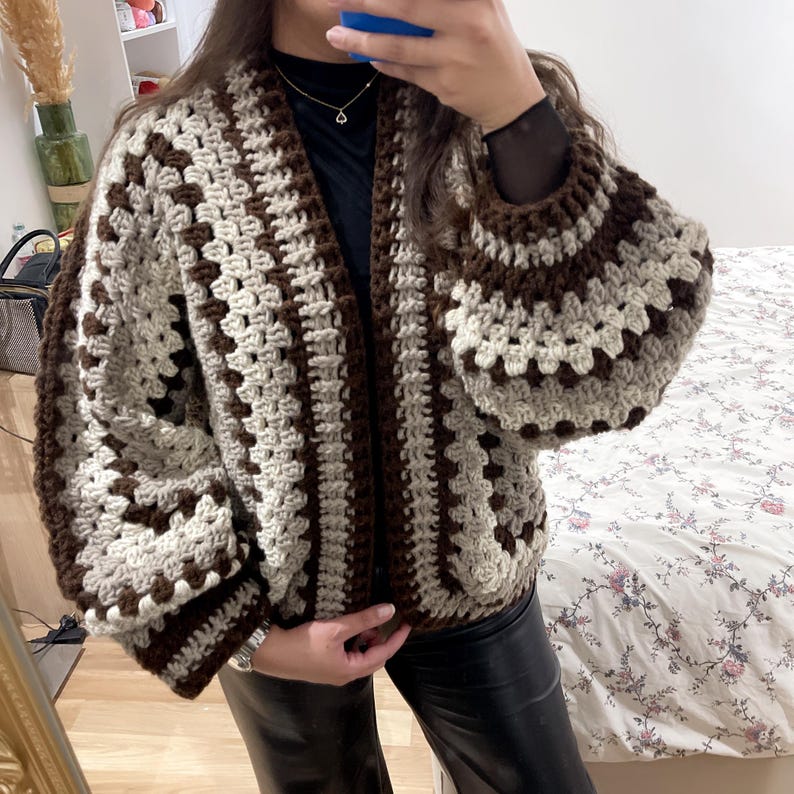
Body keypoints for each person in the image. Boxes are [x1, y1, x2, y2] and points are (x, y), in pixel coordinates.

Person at [32, 1, 714, 792]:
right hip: (278, 602)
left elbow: (590, 380)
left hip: (474, 577)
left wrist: (517, 113)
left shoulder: (490, 113)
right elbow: (108, 423)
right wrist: (245, 635)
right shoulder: (166, 154)